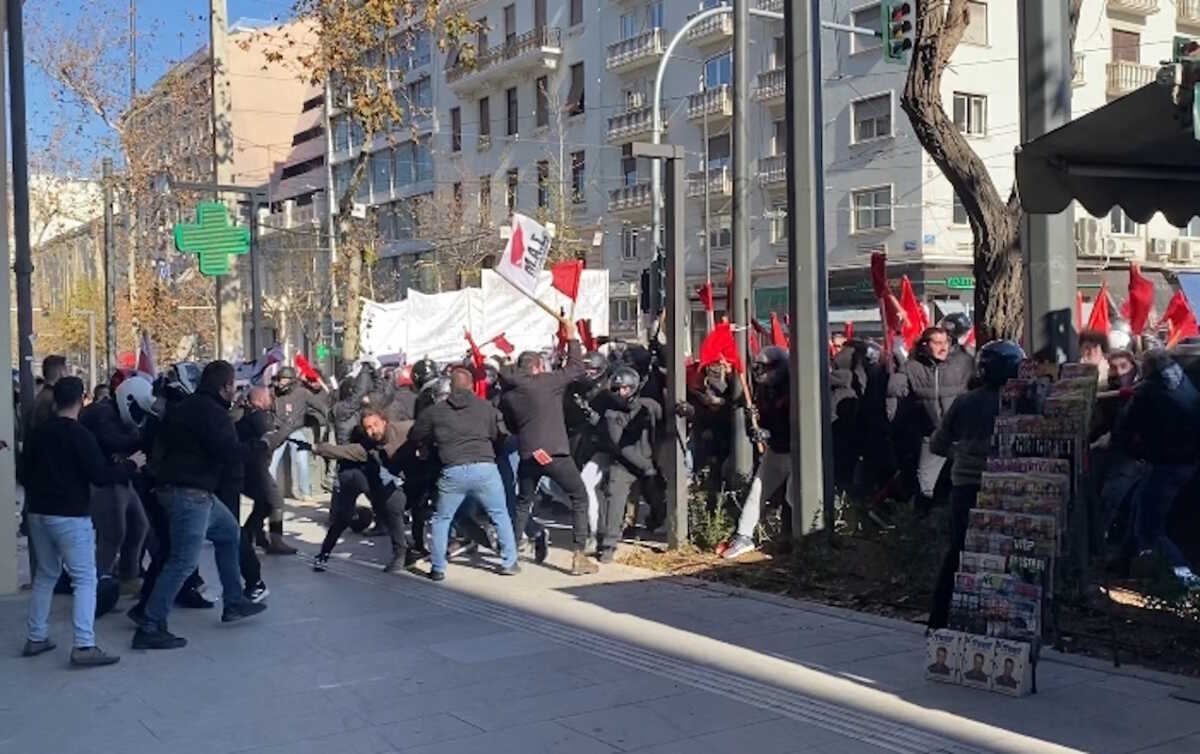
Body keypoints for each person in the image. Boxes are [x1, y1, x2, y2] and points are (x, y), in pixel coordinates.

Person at [132, 361, 267, 651]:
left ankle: (234, 601)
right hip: (190, 493)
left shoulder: (185, 407)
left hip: (181, 488)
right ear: (225, 387)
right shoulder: (215, 414)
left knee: (229, 533)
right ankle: (151, 625)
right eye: (233, 386)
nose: (234, 391)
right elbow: (230, 453)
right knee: (183, 561)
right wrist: (261, 445)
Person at [20, 377, 137, 667]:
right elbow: (100, 475)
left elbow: (23, 474)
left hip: (37, 512)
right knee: (85, 579)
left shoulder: (38, 434)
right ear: (82, 399)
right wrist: (132, 466)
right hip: (71, 515)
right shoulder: (81, 435)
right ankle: (84, 644)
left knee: (46, 575)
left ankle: (36, 636)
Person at [926, 340, 1024, 630]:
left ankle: (938, 620)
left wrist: (961, 454)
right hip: (1008, 486)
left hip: (966, 484)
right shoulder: (1023, 402)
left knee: (959, 549)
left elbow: (938, 443)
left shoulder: (964, 401)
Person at [499, 319, 598, 575]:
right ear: (537, 367)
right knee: (579, 496)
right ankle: (578, 556)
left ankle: (511, 557)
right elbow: (576, 368)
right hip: (552, 451)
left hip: (527, 453)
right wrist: (573, 337)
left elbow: (510, 425)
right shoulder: (545, 382)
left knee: (523, 503)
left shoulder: (508, 394)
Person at [410, 367, 518, 581]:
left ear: (450, 386)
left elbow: (416, 434)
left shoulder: (436, 411)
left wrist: (429, 444)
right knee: (499, 514)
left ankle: (438, 568)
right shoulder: (486, 408)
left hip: (452, 469)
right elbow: (499, 435)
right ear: (471, 385)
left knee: (442, 519)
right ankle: (509, 562)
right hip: (485, 467)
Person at [1113, 349, 1200, 588]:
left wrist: (1135, 452)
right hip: (1188, 463)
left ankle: (1186, 579)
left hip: (1164, 464)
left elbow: (1125, 431)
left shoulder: (1148, 392)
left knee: (1149, 526)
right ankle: (1122, 562)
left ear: (1146, 368)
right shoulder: (1185, 383)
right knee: (1139, 507)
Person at [307, 408, 415, 574]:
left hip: (377, 482)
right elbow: (344, 452)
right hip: (371, 483)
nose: (371, 431)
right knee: (389, 510)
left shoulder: (400, 431)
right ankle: (403, 550)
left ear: (384, 422)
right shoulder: (366, 448)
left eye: (374, 426)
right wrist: (317, 448)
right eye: (367, 429)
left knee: (381, 512)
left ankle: (323, 555)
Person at [80, 374, 151, 593]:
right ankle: (99, 579)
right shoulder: (103, 414)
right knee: (114, 532)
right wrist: (143, 440)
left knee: (139, 525)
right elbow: (112, 441)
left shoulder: (115, 413)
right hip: (106, 480)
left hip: (120, 475)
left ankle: (127, 575)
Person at [890, 326, 973, 510]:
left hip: (960, 435)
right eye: (937, 343)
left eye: (946, 342)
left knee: (963, 478)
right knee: (925, 482)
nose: (943, 347)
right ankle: (923, 522)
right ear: (925, 345)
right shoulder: (913, 367)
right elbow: (897, 392)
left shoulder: (963, 362)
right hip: (932, 435)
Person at [722, 347, 792, 560]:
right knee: (757, 491)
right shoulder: (765, 390)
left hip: (795, 452)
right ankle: (744, 536)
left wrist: (770, 432)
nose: (760, 373)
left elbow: (794, 424)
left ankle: (798, 540)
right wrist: (755, 420)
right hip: (776, 451)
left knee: (794, 498)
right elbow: (763, 423)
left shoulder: (794, 388)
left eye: (766, 368)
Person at [595, 366, 663, 563]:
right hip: (625, 464)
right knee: (614, 499)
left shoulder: (649, 406)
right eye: (616, 389)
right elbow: (621, 446)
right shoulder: (611, 414)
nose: (620, 393)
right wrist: (646, 467)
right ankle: (608, 544)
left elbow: (664, 424)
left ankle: (656, 520)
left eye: (625, 388)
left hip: (650, 461)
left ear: (634, 387)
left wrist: (685, 410)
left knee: (657, 497)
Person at [238, 386, 297, 556]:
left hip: (248, 466)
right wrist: (286, 429)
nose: (272, 400)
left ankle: (254, 535)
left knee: (263, 503)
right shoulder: (259, 417)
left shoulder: (245, 414)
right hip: (255, 467)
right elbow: (270, 441)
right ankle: (274, 540)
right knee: (275, 501)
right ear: (261, 400)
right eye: (269, 397)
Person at [269, 366, 316, 500]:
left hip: (296, 430)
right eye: (281, 379)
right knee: (272, 462)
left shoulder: (302, 393)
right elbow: (269, 409)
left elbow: (317, 405)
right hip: (279, 431)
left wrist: (316, 420)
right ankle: (270, 492)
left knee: (302, 460)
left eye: (285, 379)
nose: (282, 382)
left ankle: (305, 492)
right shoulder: (274, 392)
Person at [30, 355, 68, 430]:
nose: (68, 373)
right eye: (66, 369)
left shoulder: (42, 395)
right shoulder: (53, 398)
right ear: (61, 372)